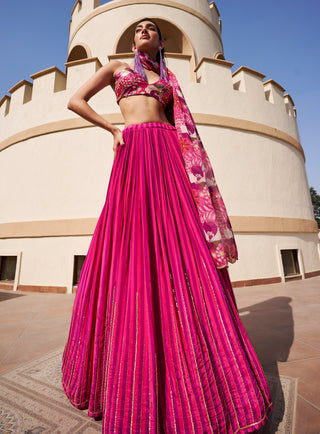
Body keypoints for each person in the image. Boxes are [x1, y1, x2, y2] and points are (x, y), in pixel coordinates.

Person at [62, 18, 273, 433]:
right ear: (132, 37)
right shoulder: (115, 70)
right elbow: (75, 101)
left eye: (151, 27)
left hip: (169, 158)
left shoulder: (169, 79)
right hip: (135, 152)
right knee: (129, 241)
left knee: (184, 243)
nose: (144, 29)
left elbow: (184, 131)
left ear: (161, 39)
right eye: (138, 27)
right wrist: (112, 128)